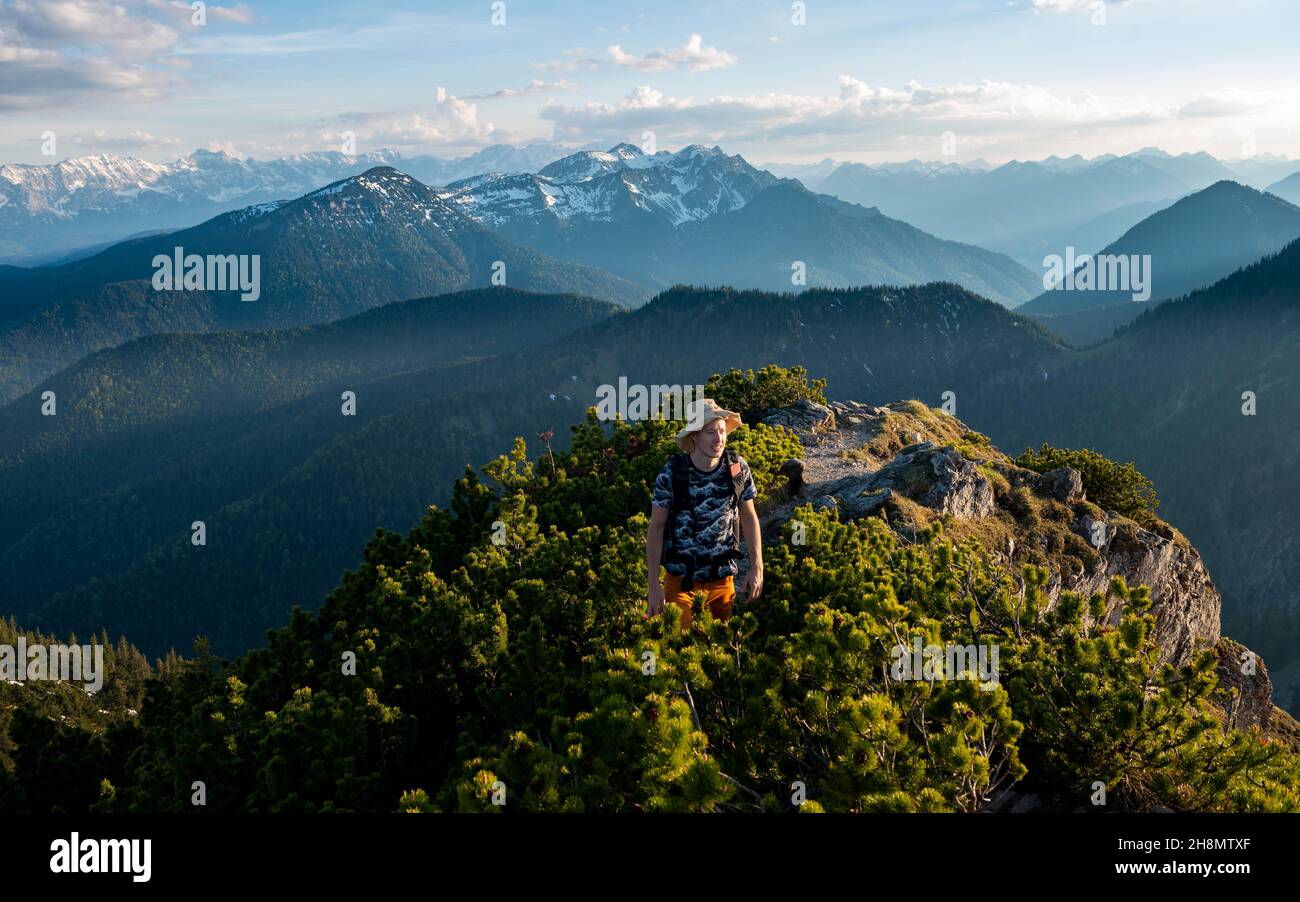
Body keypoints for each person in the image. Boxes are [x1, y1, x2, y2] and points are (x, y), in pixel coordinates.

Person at [646, 398, 763, 628]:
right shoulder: (672, 473)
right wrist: (653, 585)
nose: (718, 438)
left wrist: (757, 567)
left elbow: (749, 517)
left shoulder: (737, 468)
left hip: (722, 579)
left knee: (720, 653)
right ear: (694, 436)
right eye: (710, 432)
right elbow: (656, 527)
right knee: (682, 648)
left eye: (721, 431)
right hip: (680, 581)